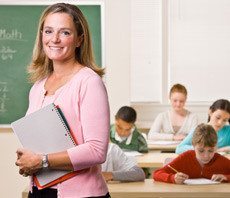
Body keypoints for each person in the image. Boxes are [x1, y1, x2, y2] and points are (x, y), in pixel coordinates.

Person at [14, 3, 110, 198]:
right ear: (41, 36)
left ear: (79, 40)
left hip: (81, 195)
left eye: (65, 32)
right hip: (39, 191)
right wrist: (28, 162)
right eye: (48, 31)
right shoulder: (37, 87)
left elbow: (97, 150)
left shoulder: (89, 82)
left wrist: (42, 160)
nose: (54, 39)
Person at [153, 123, 230, 184]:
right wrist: (173, 178)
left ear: (216, 147)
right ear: (193, 145)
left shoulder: (220, 160)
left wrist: (226, 177)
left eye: (211, 151)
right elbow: (157, 174)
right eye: (201, 151)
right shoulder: (186, 157)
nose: (206, 156)